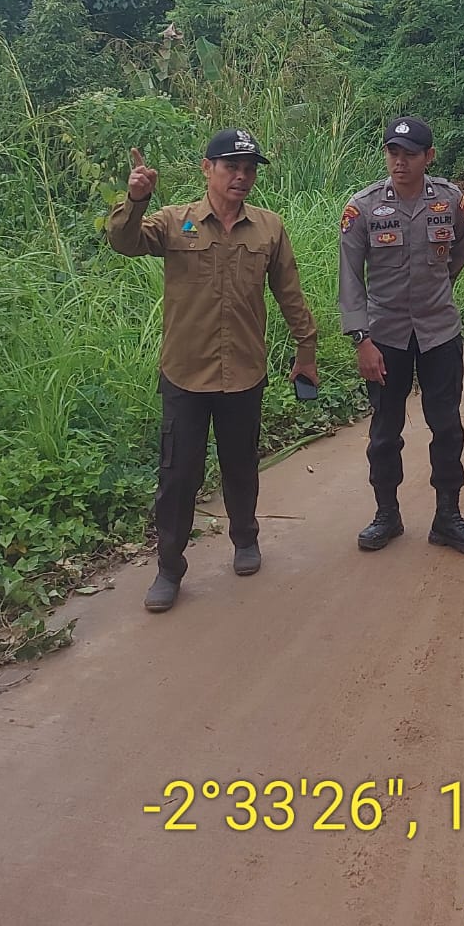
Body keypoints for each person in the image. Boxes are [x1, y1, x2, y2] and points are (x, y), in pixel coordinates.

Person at [107, 129, 319, 612]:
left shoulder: (269, 228)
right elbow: (124, 241)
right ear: (207, 169)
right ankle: (169, 568)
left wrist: (306, 349)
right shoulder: (174, 222)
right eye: (231, 166)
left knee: (241, 465)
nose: (242, 176)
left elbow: (290, 293)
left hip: (244, 372)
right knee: (179, 475)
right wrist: (135, 198)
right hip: (185, 374)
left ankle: (245, 538)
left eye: (249, 168)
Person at [339, 116, 464, 555]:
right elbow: (350, 276)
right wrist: (361, 339)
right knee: (385, 430)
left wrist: (439, 291)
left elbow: (460, 248)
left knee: (446, 425)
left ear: (429, 157)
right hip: (385, 336)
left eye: (409, 154)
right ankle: (387, 514)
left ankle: (448, 517)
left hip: (439, 331)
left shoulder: (449, 200)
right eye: (393, 153)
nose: (399, 162)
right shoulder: (363, 208)